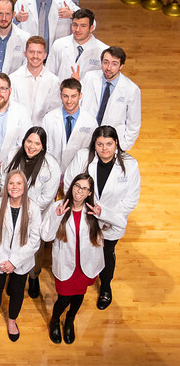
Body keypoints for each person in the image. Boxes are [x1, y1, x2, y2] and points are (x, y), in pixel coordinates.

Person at [63, 126, 141, 311]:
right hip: (84, 216)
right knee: (82, 249)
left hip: (112, 224)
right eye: (100, 144)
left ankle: (105, 286)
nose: (104, 148)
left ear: (116, 144)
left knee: (107, 253)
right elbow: (69, 181)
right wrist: (84, 208)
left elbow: (131, 199)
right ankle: (82, 281)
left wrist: (105, 215)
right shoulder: (84, 157)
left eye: (109, 144)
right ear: (94, 145)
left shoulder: (130, 165)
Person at [43, 174, 105, 344]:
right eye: (78, 186)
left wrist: (104, 215)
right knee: (63, 298)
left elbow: (116, 227)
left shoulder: (94, 210)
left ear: (89, 192)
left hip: (86, 264)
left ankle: (70, 320)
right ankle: (55, 320)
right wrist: (56, 216)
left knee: (79, 295)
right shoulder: (58, 206)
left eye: (85, 188)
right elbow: (46, 236)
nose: (80, 191)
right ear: (72, 186)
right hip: (66, 263)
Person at [2, 127, 63, 298]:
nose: (32, 146)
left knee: (35, 249)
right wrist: (13, 203)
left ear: (43, 146)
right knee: (12, 244)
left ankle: (34, 277)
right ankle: (13, 277)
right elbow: (3, 179)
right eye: (29, 141)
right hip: (11, 210)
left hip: (37, 216)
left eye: (37, 143)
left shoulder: (51, 166)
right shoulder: (13, 154)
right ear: (24, 141)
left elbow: (47, 196)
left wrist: (27, 211)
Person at [0, 169, 41, 341]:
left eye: (18, 183)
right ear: (5, 185)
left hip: (21, 262)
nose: (14, 187)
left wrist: (14, 261)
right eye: (11, 183)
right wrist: (2, 260)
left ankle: (12, 321)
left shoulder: (33, 208)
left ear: (25, 186)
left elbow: (34, 240)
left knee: (16, 292)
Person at [79, 46, 142, 151]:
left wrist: (122, 147)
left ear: (121, 66)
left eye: (114, 64)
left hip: (110, 145)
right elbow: (77, 104)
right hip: (85, 137)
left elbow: (133, 125)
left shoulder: (131, 89)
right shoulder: (89, 78)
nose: (108, 68)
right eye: (105, 62)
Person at [42, 78, 98, 172]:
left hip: (79, 172)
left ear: (80, 96)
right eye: (65, 96)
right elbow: (44, 147)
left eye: (73, 96)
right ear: (60, 96)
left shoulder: (90, 121)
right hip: (52, 170)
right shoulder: (49, 118)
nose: (69, 101)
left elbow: (92, 151)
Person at [46, 8, 108, 81]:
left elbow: (104, 81)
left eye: (83, 26)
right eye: (75, 25)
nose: (78, 29)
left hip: (88, 92)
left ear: (91, 28)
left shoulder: (103, 51)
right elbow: (49, 74)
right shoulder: (59, 44)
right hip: (60, 91)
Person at [10, 36, 60, 125]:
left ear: (45, 55)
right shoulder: (13, 79)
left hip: (43, 131)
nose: (35, 56)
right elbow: (11, 109)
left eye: (39, 52)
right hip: (18, 129)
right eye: (31, 52)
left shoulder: (54, 81)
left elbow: (54, 112)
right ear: (25, 54)